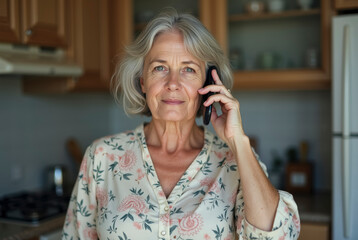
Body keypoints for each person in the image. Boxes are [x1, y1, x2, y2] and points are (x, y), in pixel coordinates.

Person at [62, 9, 300, 240]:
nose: (173, 83)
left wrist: (238, 141)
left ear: (207, 83)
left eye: (188, 69)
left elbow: (277, 236)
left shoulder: (235, 162)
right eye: (160, 68)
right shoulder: (102, 157)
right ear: (143, 81)